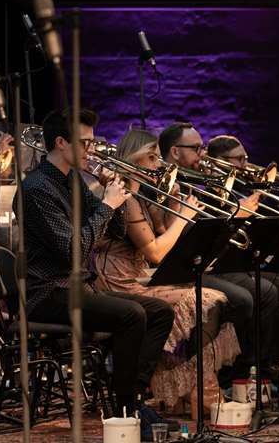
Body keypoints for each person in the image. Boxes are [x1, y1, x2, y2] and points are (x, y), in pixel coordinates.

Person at [19, 109, 175, 433]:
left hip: (77, 288)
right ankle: (124, 413)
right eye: (85, 142)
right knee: (132, 315)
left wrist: (116, 195)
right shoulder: (37, 189)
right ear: (61, 142)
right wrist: (107, 204)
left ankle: (134, 399)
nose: (92, 150)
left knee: (160, 311)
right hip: (49, 292)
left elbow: (115, 232)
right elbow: (72, 251)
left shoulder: (73, 179)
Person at [92, 129, 240, 416]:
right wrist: (184, 219)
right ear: (135, 160)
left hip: (135, 277)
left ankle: (195, 391)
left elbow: (169, 242)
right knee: (204, 301)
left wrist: (175, 204)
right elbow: (156, 252)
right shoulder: (125, 198)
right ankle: (197, 392)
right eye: (152, 158)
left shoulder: (141, 196)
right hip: (116, 283)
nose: (159, 165)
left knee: (210, 300)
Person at [158, 122, 279, 378]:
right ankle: (230, 373)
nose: (203, 154)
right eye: (197, 148)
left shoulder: (198, 182)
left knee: (274, 290)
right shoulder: (169, 184)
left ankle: (251, 369)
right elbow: (180, 236)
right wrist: (236, 215)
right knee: (249, 296)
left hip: (208, 262)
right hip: (182, 266)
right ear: (176, 152)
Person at [207, 134, 279, 367]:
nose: (246, 165)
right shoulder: (208, 186)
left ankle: (277, 362)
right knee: (266, 291)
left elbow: (261, 224)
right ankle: (249, 367)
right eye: (239, 160)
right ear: (219, 160)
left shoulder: (242, 187)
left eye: (245, 158)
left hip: (239, 263)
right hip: (216, 267)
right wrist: (238, 216)